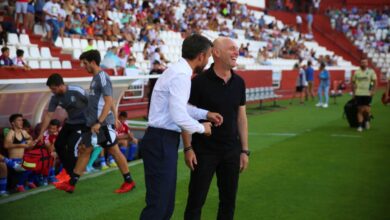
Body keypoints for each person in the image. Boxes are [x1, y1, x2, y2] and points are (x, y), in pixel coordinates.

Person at [139, 34, 223, 220]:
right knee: (159, 207)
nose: (208, 61)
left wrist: (205, 114)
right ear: (200, 56)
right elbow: (178, 116)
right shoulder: (181, 75)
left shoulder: (177, 71)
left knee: (165, 205)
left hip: (162, 140)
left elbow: (178, 107)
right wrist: (203, 128)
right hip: (161, 140)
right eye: (208, 56)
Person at [183, 37, 249, 220]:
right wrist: (188, 148)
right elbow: (185, 115)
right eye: (232, 49)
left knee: (228, 203)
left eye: (237, 49)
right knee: (195, 202)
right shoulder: (198, 82)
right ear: (216, 53)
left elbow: (241, 117)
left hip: (231, 151)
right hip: (204, 152)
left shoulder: (239, 83)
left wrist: (244, 150)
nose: (237, 52)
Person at [55, 50, 136, 194]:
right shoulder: (95, 78)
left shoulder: (103, 77)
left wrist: (101, 121)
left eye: (85, 63)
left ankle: (129, 181)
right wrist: (112, 117)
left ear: (93, 62)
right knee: (85, 151)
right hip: (92, 124)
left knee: (114, 151)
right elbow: (106, 101)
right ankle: (71, 184)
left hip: (102, 124)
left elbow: (108, 100)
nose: (83, 66)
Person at [36, 73, 88, 181]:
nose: (52, 91)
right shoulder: (55, 98)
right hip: (70, 122)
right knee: (59, 145)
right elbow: (48, 115)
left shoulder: (76, 90)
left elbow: (92, 102)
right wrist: (41, 133)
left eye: (54, 89)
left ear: (60, 85)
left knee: (72, 146)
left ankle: (75, 173)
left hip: (83, 122)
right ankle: (70, 172)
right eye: (51, 89)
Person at [4, 113, 37, 192]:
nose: (21, 122)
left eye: (22, 120)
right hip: (13, 160)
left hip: (22, 159)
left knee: (37, 166)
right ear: (13, 123)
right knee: (25, 168)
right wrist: (22, 145)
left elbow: (30, 138)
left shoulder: (23, 132)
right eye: (19, 120)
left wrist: (29, 142)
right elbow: (6, 145)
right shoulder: (11, 133)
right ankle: (20, 185)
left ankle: (29, 182)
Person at [352, 59, 376, 132]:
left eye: (365, 62)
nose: (363, 63)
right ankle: (360, 126)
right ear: (360, 63)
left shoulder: (371, 72)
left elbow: (374, 81)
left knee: (367, 110)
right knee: (360, 110)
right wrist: (354, 92)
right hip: (359, 93)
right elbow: (353, 82)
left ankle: (367, 120)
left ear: (367, 63)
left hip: (367, 93)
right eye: (362, 62)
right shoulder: (356, 72)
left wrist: (373, 90)